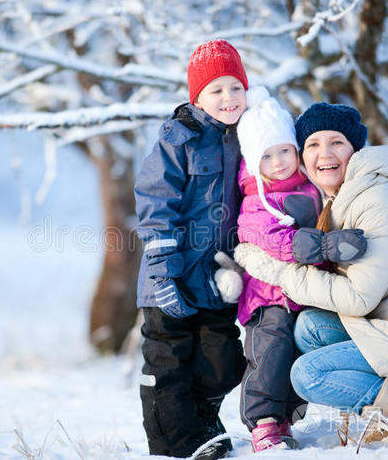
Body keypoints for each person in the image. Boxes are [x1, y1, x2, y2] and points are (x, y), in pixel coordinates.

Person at [231, 102, 388, 441]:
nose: (325, 153)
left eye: (337, 142)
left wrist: (279, 274)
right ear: (302, 158)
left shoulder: (375, 198)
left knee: (307, 375)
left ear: (354, 150)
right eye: (313, 145)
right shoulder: (338, 200)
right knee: (309, 329)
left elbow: (358, 297)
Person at [218, 87, 367, 451]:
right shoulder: (256, 194)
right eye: (267, 156)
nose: (279, 162)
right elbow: (257, 232)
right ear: (255, 161)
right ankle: (263, 420)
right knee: (270, 353)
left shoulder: (311, 187)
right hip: (266, 296)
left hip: (302, 293)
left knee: (296, 352)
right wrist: (298, 246)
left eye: (285, 151)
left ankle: (285, 416)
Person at [133, 39, 249, 459]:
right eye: (216, 90)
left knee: (222, 360)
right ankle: (176, 445)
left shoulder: (246, 138)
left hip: (216, 279)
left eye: (236, 88)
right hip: (172, 275)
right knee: (169, 363)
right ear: (197, 96)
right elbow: (154, 200)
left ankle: (201, 420)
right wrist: (164, 271)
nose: (228, 98)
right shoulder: (178, 138)